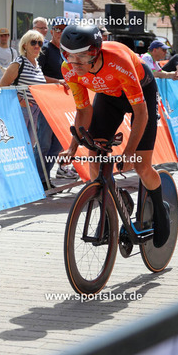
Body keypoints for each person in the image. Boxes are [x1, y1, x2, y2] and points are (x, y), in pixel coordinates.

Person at [58, 25, 170, 248]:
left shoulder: (118, 61)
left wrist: (129, 152)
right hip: (109, 97)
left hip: (141, 93)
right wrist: (72, 147)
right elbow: (83, 110)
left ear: (95, 52)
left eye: (81, 57)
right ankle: (108, 207)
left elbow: (141, 113)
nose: (75, 63)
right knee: (94, 156)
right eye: (69, 56)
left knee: (141, 165)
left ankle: (160, 208)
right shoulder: (68, 68)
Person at [0, 30, 67, 190]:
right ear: (24, 45)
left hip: (35, 110)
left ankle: (24, 183)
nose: (37, 46)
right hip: (21, 111)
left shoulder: (36, 64)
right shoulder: (18, 63)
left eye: (40, 43)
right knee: (17, 146)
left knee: (28, 147)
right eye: (33, 43)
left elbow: (40, 82)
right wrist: (20, 100)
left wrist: (58, 82)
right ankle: (11, 185)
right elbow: (2, 86)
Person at [38, 16, 78, 180]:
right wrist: (58, 81)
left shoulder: (67, 52)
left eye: (64, 29)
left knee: (58, 143)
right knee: (44, 143)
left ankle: (46, 177)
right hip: (47, 102)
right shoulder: (45, 49)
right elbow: (37, 75)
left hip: (63, 104)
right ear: (51, 31)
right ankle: (39, 179)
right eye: (58, 29)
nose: (61, 32)